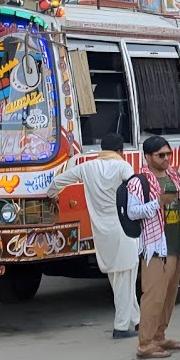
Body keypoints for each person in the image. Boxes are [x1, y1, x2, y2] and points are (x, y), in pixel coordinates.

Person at [48, 133, 139, 338]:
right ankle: (121, 327)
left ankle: (136, 320)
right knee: (126, 277)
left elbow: (57, 182)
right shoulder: (123, 166)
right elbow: (135, 189)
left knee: (119, 279)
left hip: (101, 231)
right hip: (123, 228)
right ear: (120, 151)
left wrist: (52, 197)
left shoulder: (87, 167)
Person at [126, 136, 180, 359]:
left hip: (175, 244)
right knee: (153, 296)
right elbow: (133, 211)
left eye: (168, 154)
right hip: (155, 247)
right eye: (161, 155)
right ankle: (144, 344)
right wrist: (158, 202)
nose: (166, 159)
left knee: (169, 294)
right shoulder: (139, 181)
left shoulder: (174, 176)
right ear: (148, 156)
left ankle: (159, 336)